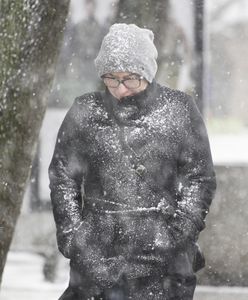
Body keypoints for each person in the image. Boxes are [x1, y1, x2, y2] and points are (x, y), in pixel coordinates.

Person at [49, 23, 216, 300]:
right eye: (111, 78)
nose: (120, 88)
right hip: (97, 260)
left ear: (148, 73)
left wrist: (177, 235)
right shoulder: (85, 111)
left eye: (130, 78)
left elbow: (200, 179)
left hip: (163, 265)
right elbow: (63, 176)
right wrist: (73, 236)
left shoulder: (179, 110)